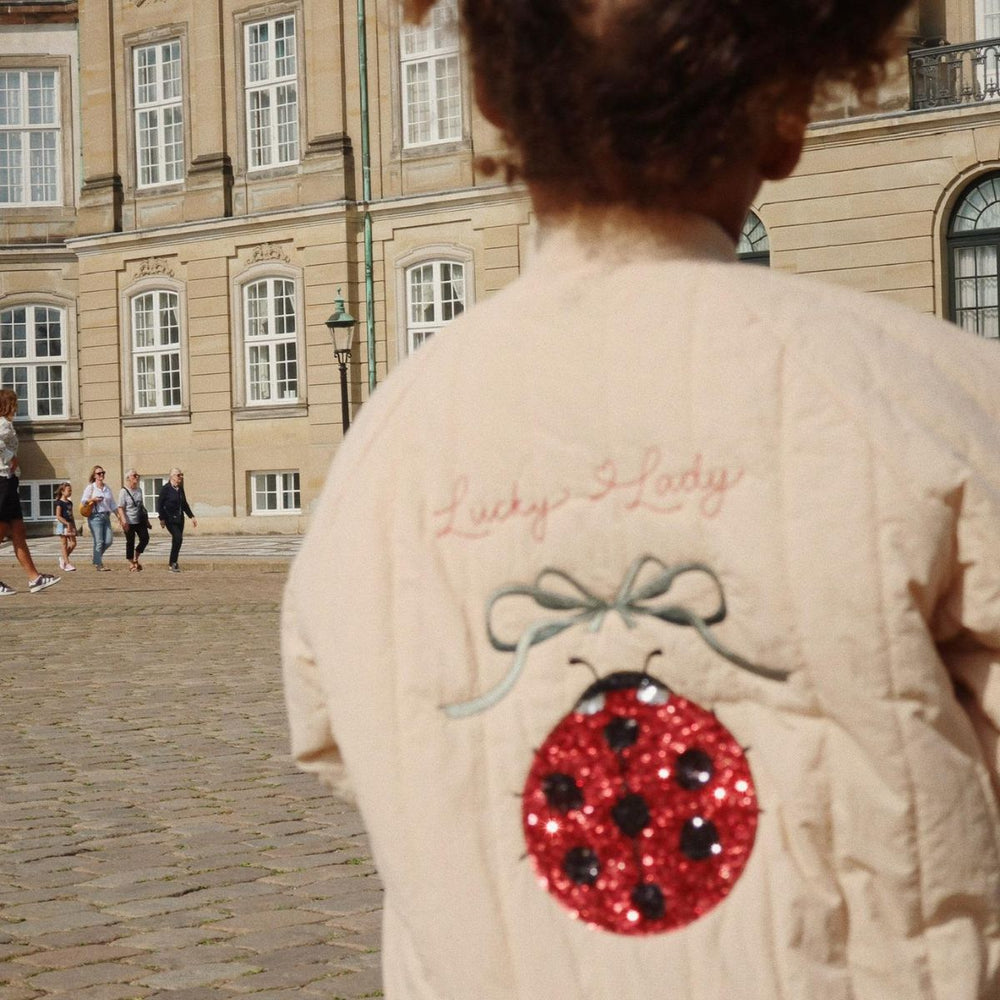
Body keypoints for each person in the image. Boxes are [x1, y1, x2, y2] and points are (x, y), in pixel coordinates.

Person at [282, 3, 1000, 998]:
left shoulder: (380, 451)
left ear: (488, 103)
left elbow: (339, 744)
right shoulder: (943, 399)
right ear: (786, 115)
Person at [0, 388, 60, 594]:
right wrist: (10, 458)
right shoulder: (3, 424)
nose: (17, 407)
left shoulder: (6, 424)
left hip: (9, 480)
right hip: (3, 481)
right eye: (14, 403)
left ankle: (34, 578)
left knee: (18, 531)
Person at [80, 465, 122, 571]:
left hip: (106, 516)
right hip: (95, 517)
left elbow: (112, 503)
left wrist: (118, 516)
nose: (101, 475)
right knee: (99, 541)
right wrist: (93, 499)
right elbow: (83, 501)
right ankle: (99, 564)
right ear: (94, 476)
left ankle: (96, 557)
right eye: (99, 473)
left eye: (103, 472)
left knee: (108, 541)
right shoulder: (91, 487)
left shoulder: (107, 488)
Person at [157, 468, 196, 572]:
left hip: (179, 518)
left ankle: (173, 563)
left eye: (181, 475)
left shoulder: (180, 488)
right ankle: (173, 562)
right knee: (178, 538)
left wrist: (191, 516)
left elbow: (184, 504)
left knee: (177, 541)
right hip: (169, 519)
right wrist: (161, 518)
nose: (181, 477)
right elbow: (159, 504)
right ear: (172, 477)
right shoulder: (166, 488)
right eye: (179, 475)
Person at [117, 469, 150, 572]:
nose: (137, 477)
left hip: (139, 520)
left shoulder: (139, 490)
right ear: (128, 478)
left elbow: (141, 506)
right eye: (134, 475)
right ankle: (131, 563)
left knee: (145, 538)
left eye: (137, 475)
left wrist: (147, 520)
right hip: (129, 521)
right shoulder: (123, 492)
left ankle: (136, 555)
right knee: (130, 542)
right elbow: (120, 507)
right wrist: (123, 521)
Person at [53, 481, 78, 571]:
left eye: (71, 490)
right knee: (64, 544)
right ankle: (67, 563)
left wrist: (74, 526)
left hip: (70, 524)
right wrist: (66, 523)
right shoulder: (59, 503)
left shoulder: (70, 503)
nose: (70, 492)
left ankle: (63, 558)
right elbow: (58, 516)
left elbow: (71, 515)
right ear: (62, 491)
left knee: (73, 543)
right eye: (68, 490)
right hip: (62, 524)